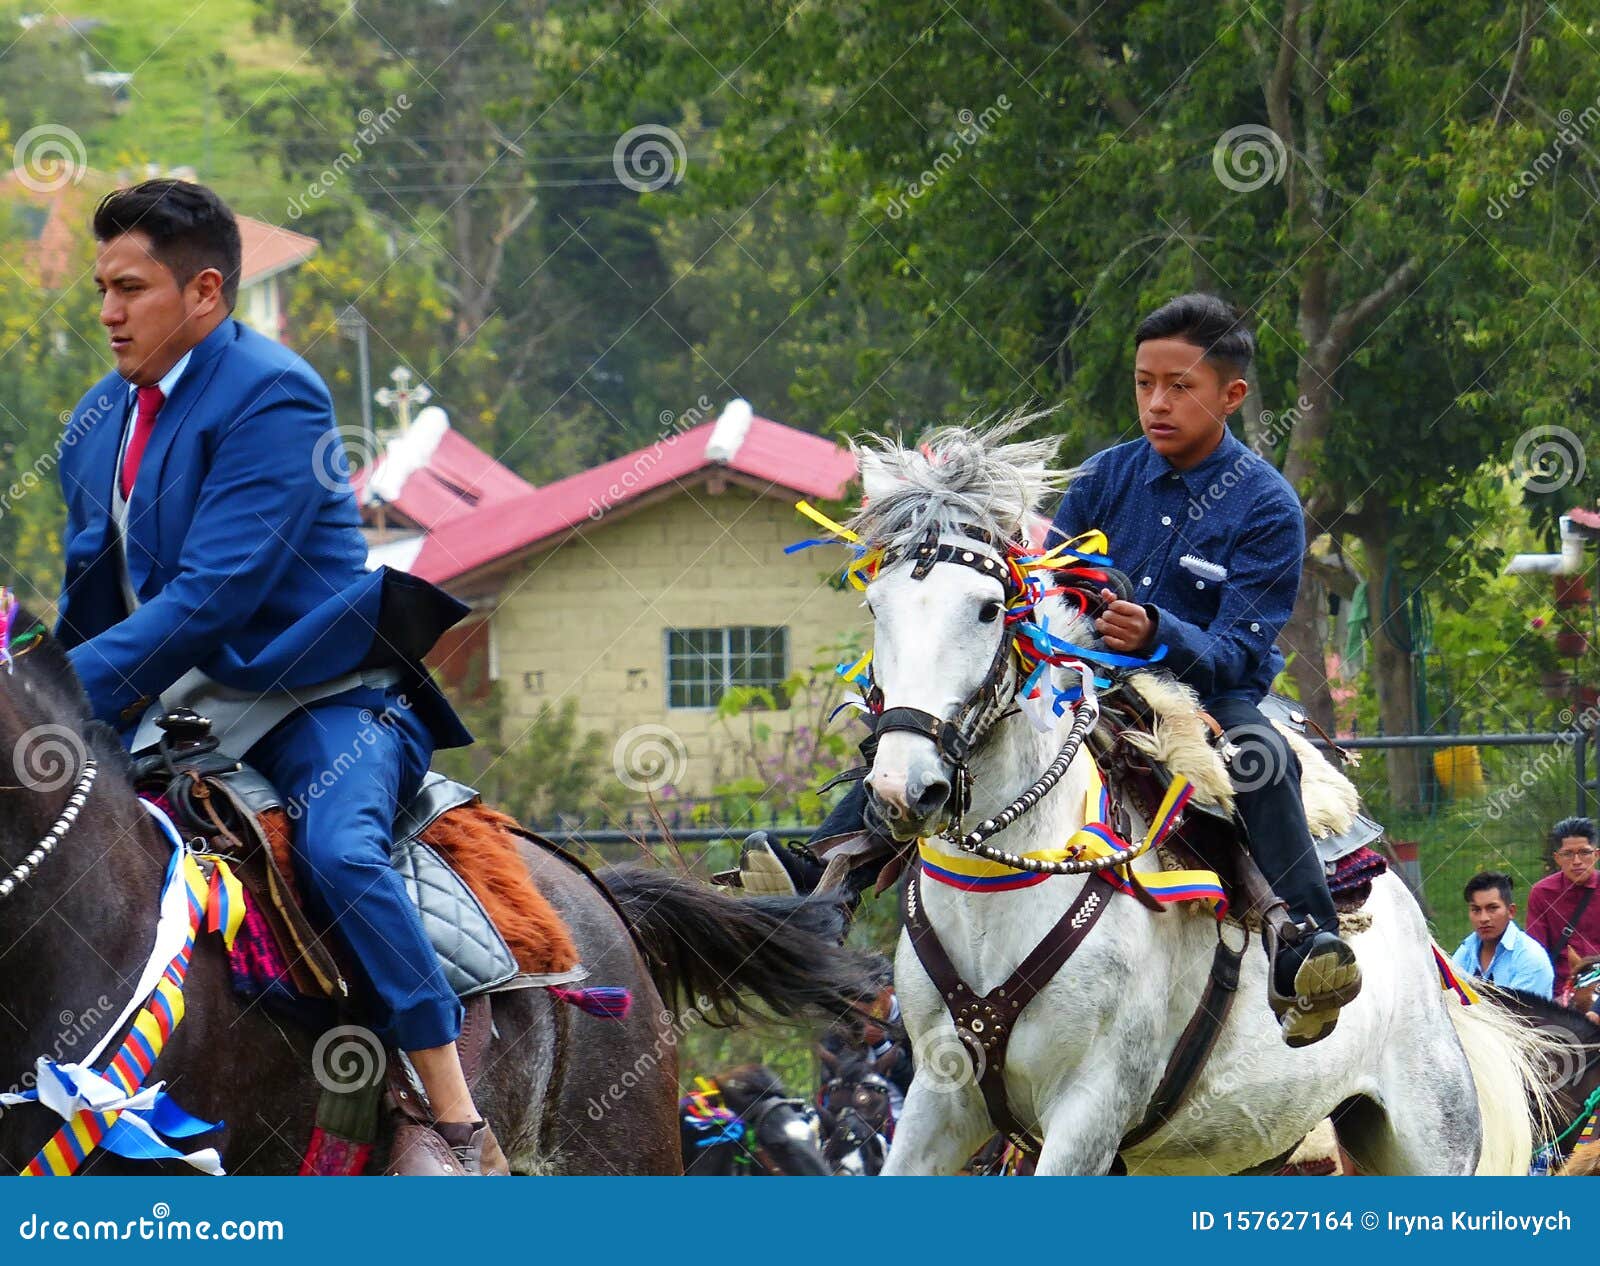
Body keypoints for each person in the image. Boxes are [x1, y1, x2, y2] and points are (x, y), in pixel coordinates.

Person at [741, 293, 1360, 1046]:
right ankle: (822, 879)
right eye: (1143, 383)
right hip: (1076, 682)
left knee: (1262, 759)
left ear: (1231, 395)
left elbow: (1243, 648)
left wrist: (1159, 631)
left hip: (1203, 701)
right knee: (934, 724)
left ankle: (1309, 944)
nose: (1157, 403)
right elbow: (1045, 589)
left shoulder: (1267, 504)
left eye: (1180, 386)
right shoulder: (1105, 476)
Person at [56, 178, 504, 1175]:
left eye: (130, 288)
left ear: (206, 292)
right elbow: (91, 600)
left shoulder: (275, 394)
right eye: (101, 288)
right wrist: (43, 694)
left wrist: (50, 688)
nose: (108, 311)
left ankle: (451, 1112)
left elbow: (215, 596)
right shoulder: (97, 420)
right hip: (166, 714)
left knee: (342, 859)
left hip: (311, 701)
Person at [1526, 817, 1600, 1004]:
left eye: (1584, 852)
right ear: (1557, 858)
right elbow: (1536, 954)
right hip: (1560, 993)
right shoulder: (1542, 893)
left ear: (1596, 855)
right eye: (1568, 854)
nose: (1577, 861)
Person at [1449, 871, 1553, 996]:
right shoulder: (1465, 951)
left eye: (1492, 908)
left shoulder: (1530, 958)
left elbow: (1517, 1014)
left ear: (1511, 911)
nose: (1483, 918)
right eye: (1476, 910)